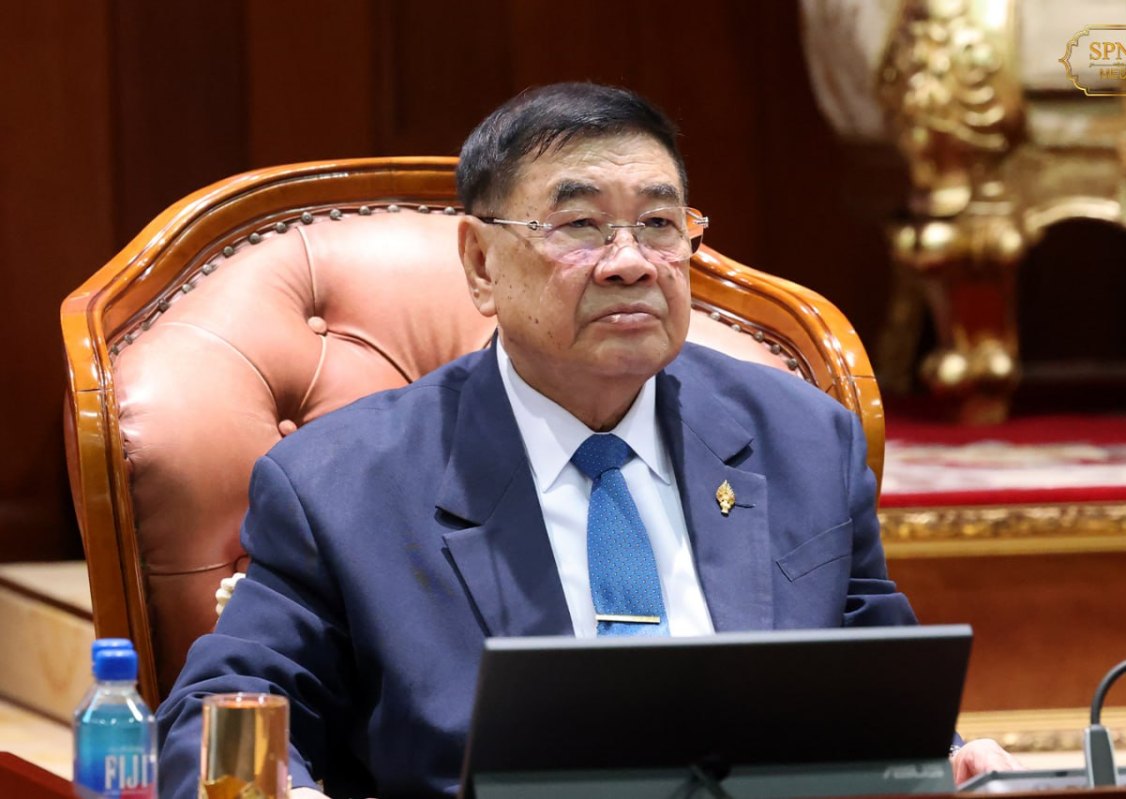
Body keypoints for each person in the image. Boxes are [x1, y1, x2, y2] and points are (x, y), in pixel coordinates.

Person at [158, 82, 1018, 799]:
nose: (630, 261)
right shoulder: (343, 484)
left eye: (659, 224)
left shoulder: (799, 438)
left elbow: (883, 690)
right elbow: (224, 708)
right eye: (579, 226)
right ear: (481, 265)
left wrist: (947, 757)